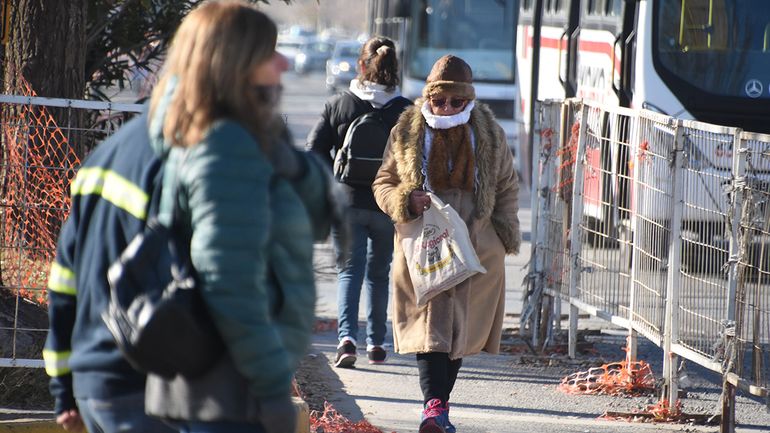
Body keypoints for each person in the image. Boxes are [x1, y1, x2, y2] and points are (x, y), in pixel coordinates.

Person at [142, 2, 334, 433]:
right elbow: (228, 281)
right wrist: (269, 389)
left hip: (222, 380)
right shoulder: (224, 145)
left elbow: (316, 221)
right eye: (270, 52)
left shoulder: (238, 137)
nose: (284, 61)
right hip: (228, 387)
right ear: (236, 63)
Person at [372, 54, 521, 433]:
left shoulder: (489, 132)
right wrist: (406, 199)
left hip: (476, 242)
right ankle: (434, 408)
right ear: (429, 98)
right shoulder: (406, 131)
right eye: (440, 101)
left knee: (458, 331)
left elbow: (506, 186)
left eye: (457, 102)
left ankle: (438, 407)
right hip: (424, 242)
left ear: (469, 100)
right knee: (431, 329)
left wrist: (503, 236)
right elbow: (383, 183)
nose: (447, 108)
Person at [43, 110, 176, 433]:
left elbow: (62, 284)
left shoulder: (104, 154)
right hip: (146, 386)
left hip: (93, 384)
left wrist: (64, 389)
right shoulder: (176, 161)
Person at [308, 36, 411, 368]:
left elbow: (314, 150)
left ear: (361, 66)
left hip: (347, 202)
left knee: (349, 272)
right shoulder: (405, 110)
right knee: (379, 274)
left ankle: (347, 339)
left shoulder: (342, 104)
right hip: (387, 204)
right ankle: (377, 341)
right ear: (394, 69)